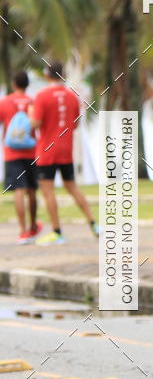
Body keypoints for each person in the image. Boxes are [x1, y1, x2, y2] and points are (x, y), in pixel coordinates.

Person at [28, 63, 98, 245]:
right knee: (72, 187)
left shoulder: (41, 96)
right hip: (66, 149)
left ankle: (57, 232)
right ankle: (94, 224)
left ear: (46, 75)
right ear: (63, 75)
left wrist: (29, 114)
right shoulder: (72, 96)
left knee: (48, 191)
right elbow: (74, 125)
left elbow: (35, 123)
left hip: (46, 151)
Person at [0, 71, 42, 244]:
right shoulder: (33, 101)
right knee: (31, 189)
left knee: (18, 189)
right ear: (27, 84)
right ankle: (33, 228)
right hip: (31, 150)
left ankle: (22, 231)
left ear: (14, 84)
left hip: (11, 152)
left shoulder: (5, 102)